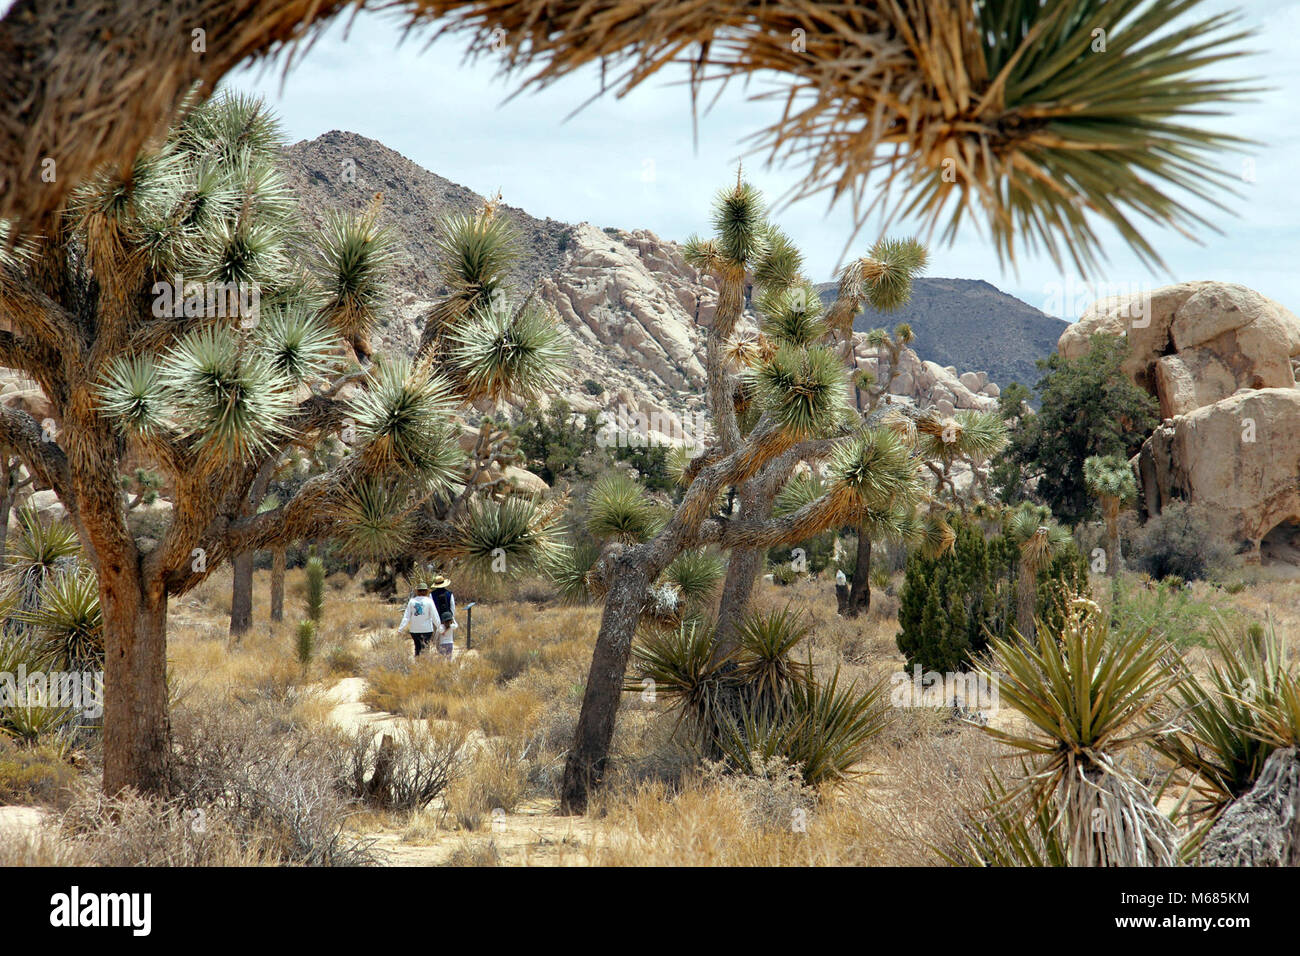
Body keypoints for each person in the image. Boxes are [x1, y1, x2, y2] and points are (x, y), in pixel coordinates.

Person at [398, 584, 437, 657]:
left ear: (417, 591)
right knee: (425, 648)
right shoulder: (429, 601)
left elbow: (406, 616)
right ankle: (425, 665)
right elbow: (435, 616)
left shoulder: (412, 601)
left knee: (417, 648)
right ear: (426, 591)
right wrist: (440, 627)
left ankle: (418, 664)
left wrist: (400, 628)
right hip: (427, 630)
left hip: (415, 630)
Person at [429, 574, 457, 658]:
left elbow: (432, 609)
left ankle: (440, 655)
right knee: (448, 637)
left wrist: (436, 622)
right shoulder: (449, 594)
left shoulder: (432, 594)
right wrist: (451, 619)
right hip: (448, 620)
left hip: (437, 620)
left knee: (439, 640)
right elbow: (452, 608)